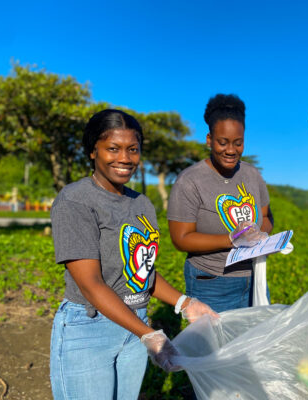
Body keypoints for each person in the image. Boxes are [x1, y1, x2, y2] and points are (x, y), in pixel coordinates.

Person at [49, 109, 217, 400]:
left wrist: (185, 303)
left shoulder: (141, 204)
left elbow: (142, 272)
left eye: (133, 149)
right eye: (112, 148)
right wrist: (148, 333)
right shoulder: (75, 200)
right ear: (92, 151)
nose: (125, 158)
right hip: (90, 329)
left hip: (134, 326)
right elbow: (90, 284)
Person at [167, 94, 273, 313]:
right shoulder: (190, 180)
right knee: (214, 346)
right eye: (222, 142)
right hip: (212, 282)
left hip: (253, 277)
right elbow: (181, 239)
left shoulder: (252, 175)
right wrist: (232, 239)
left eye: (238, 143)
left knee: (255, 343)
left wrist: (261, 234)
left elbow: (266, 217)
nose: (231, 150)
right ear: (209, 140)